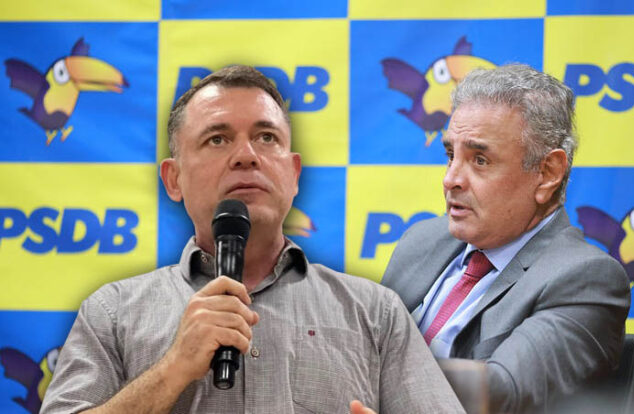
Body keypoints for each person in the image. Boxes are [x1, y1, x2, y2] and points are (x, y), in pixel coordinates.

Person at [41, 65, 464, 414]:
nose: (247, 155)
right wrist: (172, 369)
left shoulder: (375, 313)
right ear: (173, 179)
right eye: (217, 139)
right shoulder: (112, 313)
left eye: (266, 138)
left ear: (293, 174)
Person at [381, 64, 631, 413]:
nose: (450, 179)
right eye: (451, 155)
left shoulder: (586, 278)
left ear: (547, 173)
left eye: (480, 160)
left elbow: (503, 391)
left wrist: (369, 370)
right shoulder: (421, 241)